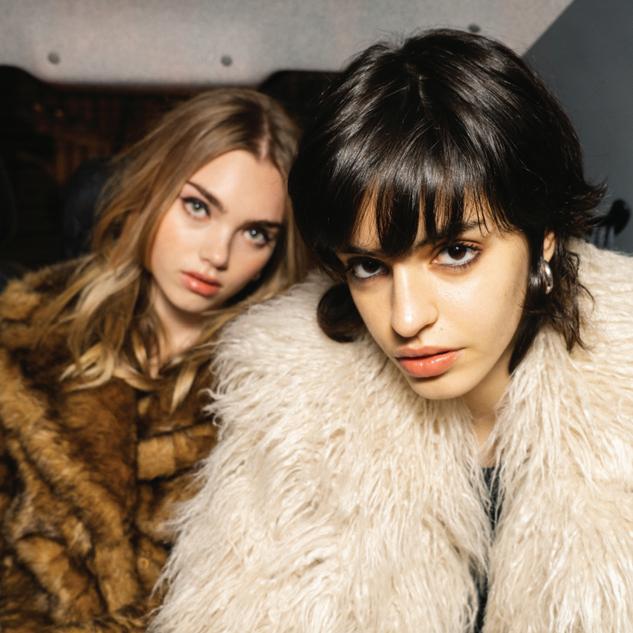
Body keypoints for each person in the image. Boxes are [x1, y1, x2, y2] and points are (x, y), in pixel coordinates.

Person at [152, 30, 633, 633]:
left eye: (455, 252)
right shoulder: (290, 423)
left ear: (545, 241)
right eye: (369, 266)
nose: (405, 319)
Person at [0, 87, 307, 632]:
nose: (217, 255)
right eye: (198, 207)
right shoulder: (22, 338)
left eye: (255, 233)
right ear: (152, 190)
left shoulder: (277, 395)